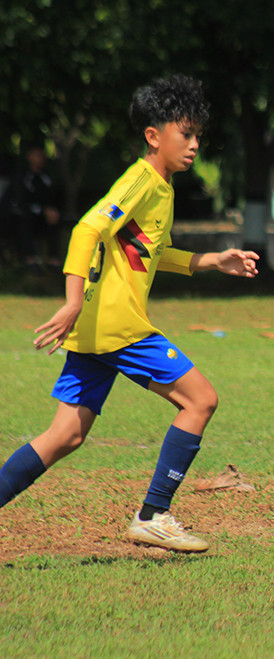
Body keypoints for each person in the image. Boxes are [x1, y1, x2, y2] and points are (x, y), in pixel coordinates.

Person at [0, 75, 259, 552]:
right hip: (118, 326)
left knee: (64, 435)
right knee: (200, 400)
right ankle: (153, 514)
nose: (195, 144)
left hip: (97, 329)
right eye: (186, 133)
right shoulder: (141, 181)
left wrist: (213, 261)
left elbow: (152, 254)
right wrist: (72, 300)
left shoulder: (160, 186)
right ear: (154, 136)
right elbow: (84, 230)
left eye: (198, 134)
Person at [2, 143, 61, 269]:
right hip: (19, 216)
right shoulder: (22, 176)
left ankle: (53, 259)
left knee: (55, 220)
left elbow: (49, 198)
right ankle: (29, 258)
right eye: (38, 155)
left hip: (40, 217)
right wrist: (41, 210)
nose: (41, 158)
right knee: (25, 220)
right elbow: (19, 201)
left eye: (42, 155)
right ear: (29, 157)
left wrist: (50, 210)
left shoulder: (45, 177)